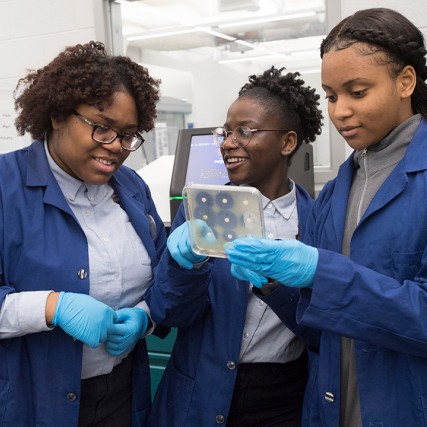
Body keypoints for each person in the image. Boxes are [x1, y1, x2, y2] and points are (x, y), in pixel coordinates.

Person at [224, 7, 427, 427]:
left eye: (357, 91)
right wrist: (275, 283)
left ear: (405, 81)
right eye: (332, 96)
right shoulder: (337, 191)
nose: (340, 112)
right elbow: (321, 331)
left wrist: (321, 271)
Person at [0, 41, 167, 426]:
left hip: (121, 394)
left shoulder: (132, 188)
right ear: (58, 115)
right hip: (31, 401)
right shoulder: (6, 189)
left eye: (128, 135)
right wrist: (52, 306)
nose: (117, 148)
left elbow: (162, 279)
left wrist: (146, 316)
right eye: (102, 128)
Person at [144, 66, 323, 426]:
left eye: (245, 131)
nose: (227, 143)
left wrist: (276, 288)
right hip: (201, 388)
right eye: (225, 132)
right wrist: (184, 267)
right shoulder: (201, 211)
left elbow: (322, 332)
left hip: (282, 396)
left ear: (287, 142)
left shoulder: (316, 221)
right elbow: (167, 313)